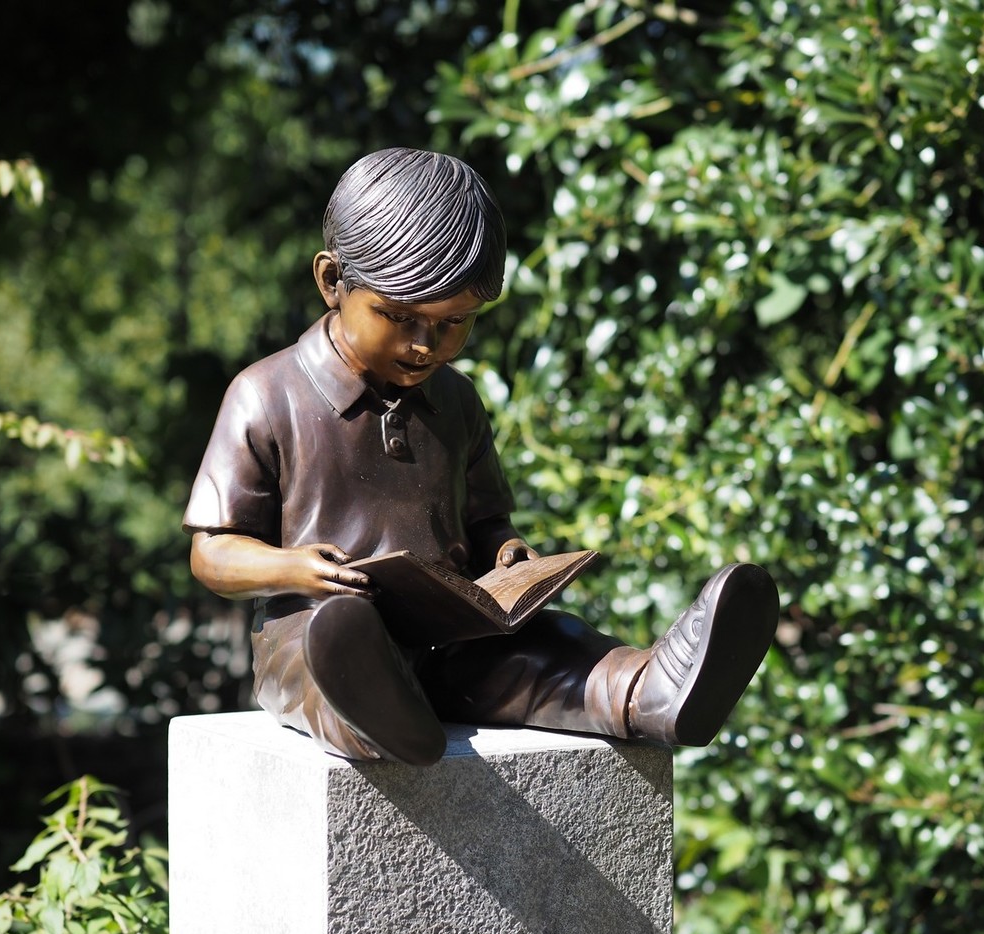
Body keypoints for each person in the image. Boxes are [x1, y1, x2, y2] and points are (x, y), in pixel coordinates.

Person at [184, 147, 778, 766]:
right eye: (399, 316)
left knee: (545, 648)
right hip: (313, 624)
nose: (425, 345)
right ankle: (378, 715)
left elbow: (489, 520)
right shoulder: (266, 394)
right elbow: (213, 552)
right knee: (327, 652)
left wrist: (507, 553)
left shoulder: (457, 401)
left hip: (450, 635)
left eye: (455, 322)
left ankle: (645, 692)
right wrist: (292, 569)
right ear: (333, 282)